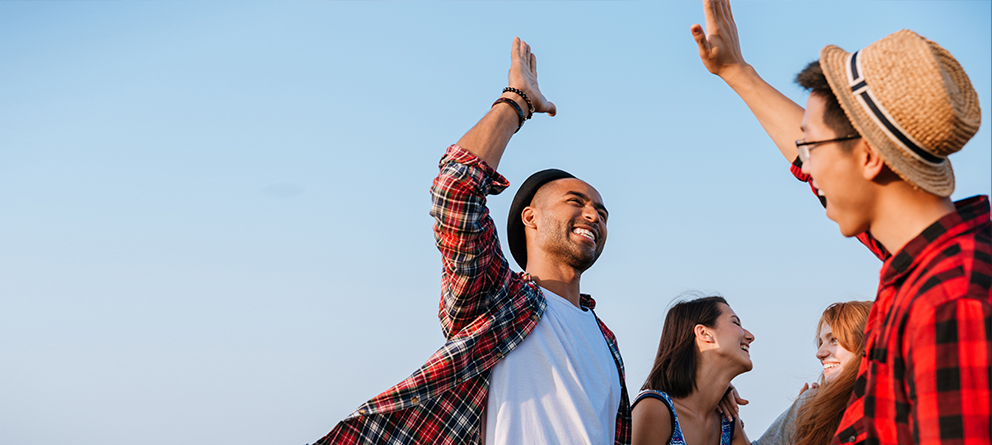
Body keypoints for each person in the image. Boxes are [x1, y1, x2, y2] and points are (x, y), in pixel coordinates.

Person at [691, 1, 992, 445]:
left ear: (869, 157)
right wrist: (738, 72)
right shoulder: (926, 265)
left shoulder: (951, 300)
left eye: (811, 147)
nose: (806, 168)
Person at [313, 37, 631, 445]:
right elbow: (455, 191)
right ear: (529, 218)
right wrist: (517, 102)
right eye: (577, 202)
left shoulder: (606, 341)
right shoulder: (498, 297)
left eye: (602, 213)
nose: (593, 215)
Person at [632, 296, 753, 445]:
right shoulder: (656, 409)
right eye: (735, 322)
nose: (750, 336)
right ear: (704, 333)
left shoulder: (728, 424)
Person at [752, 301, 872, 445]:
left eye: (834, 340)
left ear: (865, 342)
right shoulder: (810, 405)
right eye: (821, 342)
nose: (819, 353)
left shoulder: (896, 404)